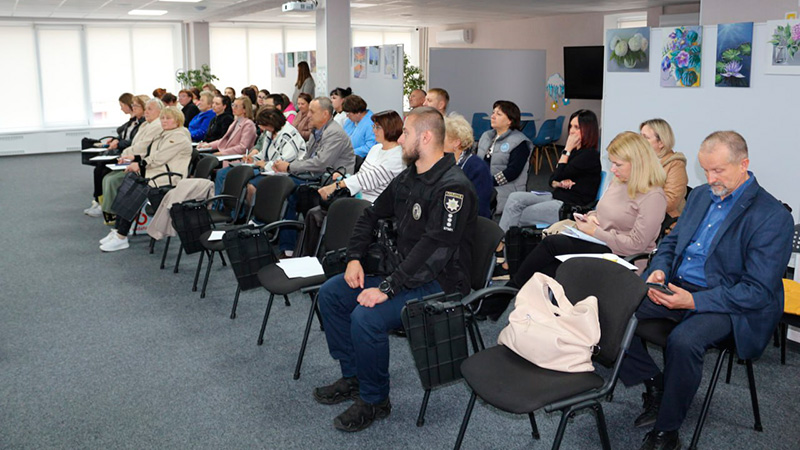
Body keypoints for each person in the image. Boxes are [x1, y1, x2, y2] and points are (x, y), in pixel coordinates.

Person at [618, 131, 793, 450]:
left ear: (744, 165)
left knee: (684, 341)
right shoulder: (700, 196)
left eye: (718, 171)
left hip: (730, 303)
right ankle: (657, 385)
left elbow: (756, 291)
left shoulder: (772, 217)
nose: (710, 178)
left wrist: (694, 300)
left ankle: (666, 431)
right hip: (679, 285)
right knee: (612, 311)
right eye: (705, 170)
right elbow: (672, 242)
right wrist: (660, 269)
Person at [314, 106, 477, 432]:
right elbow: (370, 215)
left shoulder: (453, 187)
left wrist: (387, 288)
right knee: (331, 294)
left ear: (426, 137)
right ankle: (355, 378)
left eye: (406, 133)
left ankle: (375, 400)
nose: (400, 138)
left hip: (440, 282)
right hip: (403, 273)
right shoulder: (410, 176)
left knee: (367, 316)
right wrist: (355, 258)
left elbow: (434, 251)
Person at [505, 131, 666, 290]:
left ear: (637, 163)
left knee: (552, 246)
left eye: (618, 164)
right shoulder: (620, 181)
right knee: (548, 266)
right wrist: (591, 217)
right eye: (612, 163)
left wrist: (595, 231)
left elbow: (636, 245)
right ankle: (507, 298)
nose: (612, 170)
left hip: (622, 257)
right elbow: (603, 210)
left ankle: (503, 295)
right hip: (602, 243)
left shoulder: (653, 196)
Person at [99, 107, 192, 252]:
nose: (164, 121)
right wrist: (134, 158)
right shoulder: (165, 133)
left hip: (168, 178)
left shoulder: (179, 136)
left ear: (178, 120)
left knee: (135, 188)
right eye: (162, 118)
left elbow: (160, 158)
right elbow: (152, 154)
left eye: (168, 118)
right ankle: (118, 231)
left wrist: (139, 164)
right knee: (128, 184)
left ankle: (121, 236)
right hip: (156, 173)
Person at [272, 97, 355, 255]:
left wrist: (290, 167)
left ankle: (289, 246)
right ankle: (289, 242)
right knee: (283, 184)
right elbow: (308, 158)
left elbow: (320, 163)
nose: (308, 115)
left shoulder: (334, 133)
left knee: (288, 189)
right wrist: (289, 166)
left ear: (325, 114)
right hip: (317, 175)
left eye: (312, 111)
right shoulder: (317, 130)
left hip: (332, 181)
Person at [498, 109, 602, 232]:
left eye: (577, 127)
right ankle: (502, 243)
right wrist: (559, 183)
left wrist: (566, 150)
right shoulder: (575, 152)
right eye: (571, 126)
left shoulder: (589, 155)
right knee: (515, 198)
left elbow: (557, 174)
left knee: (516, 212)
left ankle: (500, 244)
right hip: (556, 196)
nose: (571, 131)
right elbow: (552, 180)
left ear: (588, 130)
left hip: (568, 207)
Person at [100, 98, 165, 223]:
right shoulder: (146, 124)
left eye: (150, 109)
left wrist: (125, 155)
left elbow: (142, 147)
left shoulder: (157, 125)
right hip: (134, 158)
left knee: (113, 180)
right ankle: (111, 212)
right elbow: (136, 144)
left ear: (160, 111)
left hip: (144, 164)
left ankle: (115, 214)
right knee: (107, 177)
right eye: (145, 109)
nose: (146, 112)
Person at [85, 93, 146, 217]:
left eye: (136, 106)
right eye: (133, 106)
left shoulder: (143, 124)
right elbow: (124, 135)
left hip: (128, 153)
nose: (133, 108)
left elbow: (133, 142)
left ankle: (101, 203)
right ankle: (99, 201)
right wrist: (116, 140)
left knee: (103, 171)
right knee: (100, 169)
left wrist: (118, 143)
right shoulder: (135, 121)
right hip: (125, 151)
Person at [476, 100, 533, 212]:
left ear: (510, 121)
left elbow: (512, 172)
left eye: (498, 114)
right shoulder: (486, 136)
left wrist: (487, 182)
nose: (492, 116)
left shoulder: (520, 142)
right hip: (485, 183)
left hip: (506, 188)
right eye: (493, 113)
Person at [640, 119, 688, 230]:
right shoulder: (640, 161)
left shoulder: (675, 164)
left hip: (665, 220)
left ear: (661, 143)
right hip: (639, 217)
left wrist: (639, 207)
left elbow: (671, 200)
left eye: (645, 137)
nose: (640, 141)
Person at [444, 114, 493, 218]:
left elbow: (480, 207)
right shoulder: (443, 161)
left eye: (443, 137)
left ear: (456, 143)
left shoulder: (476, 167)